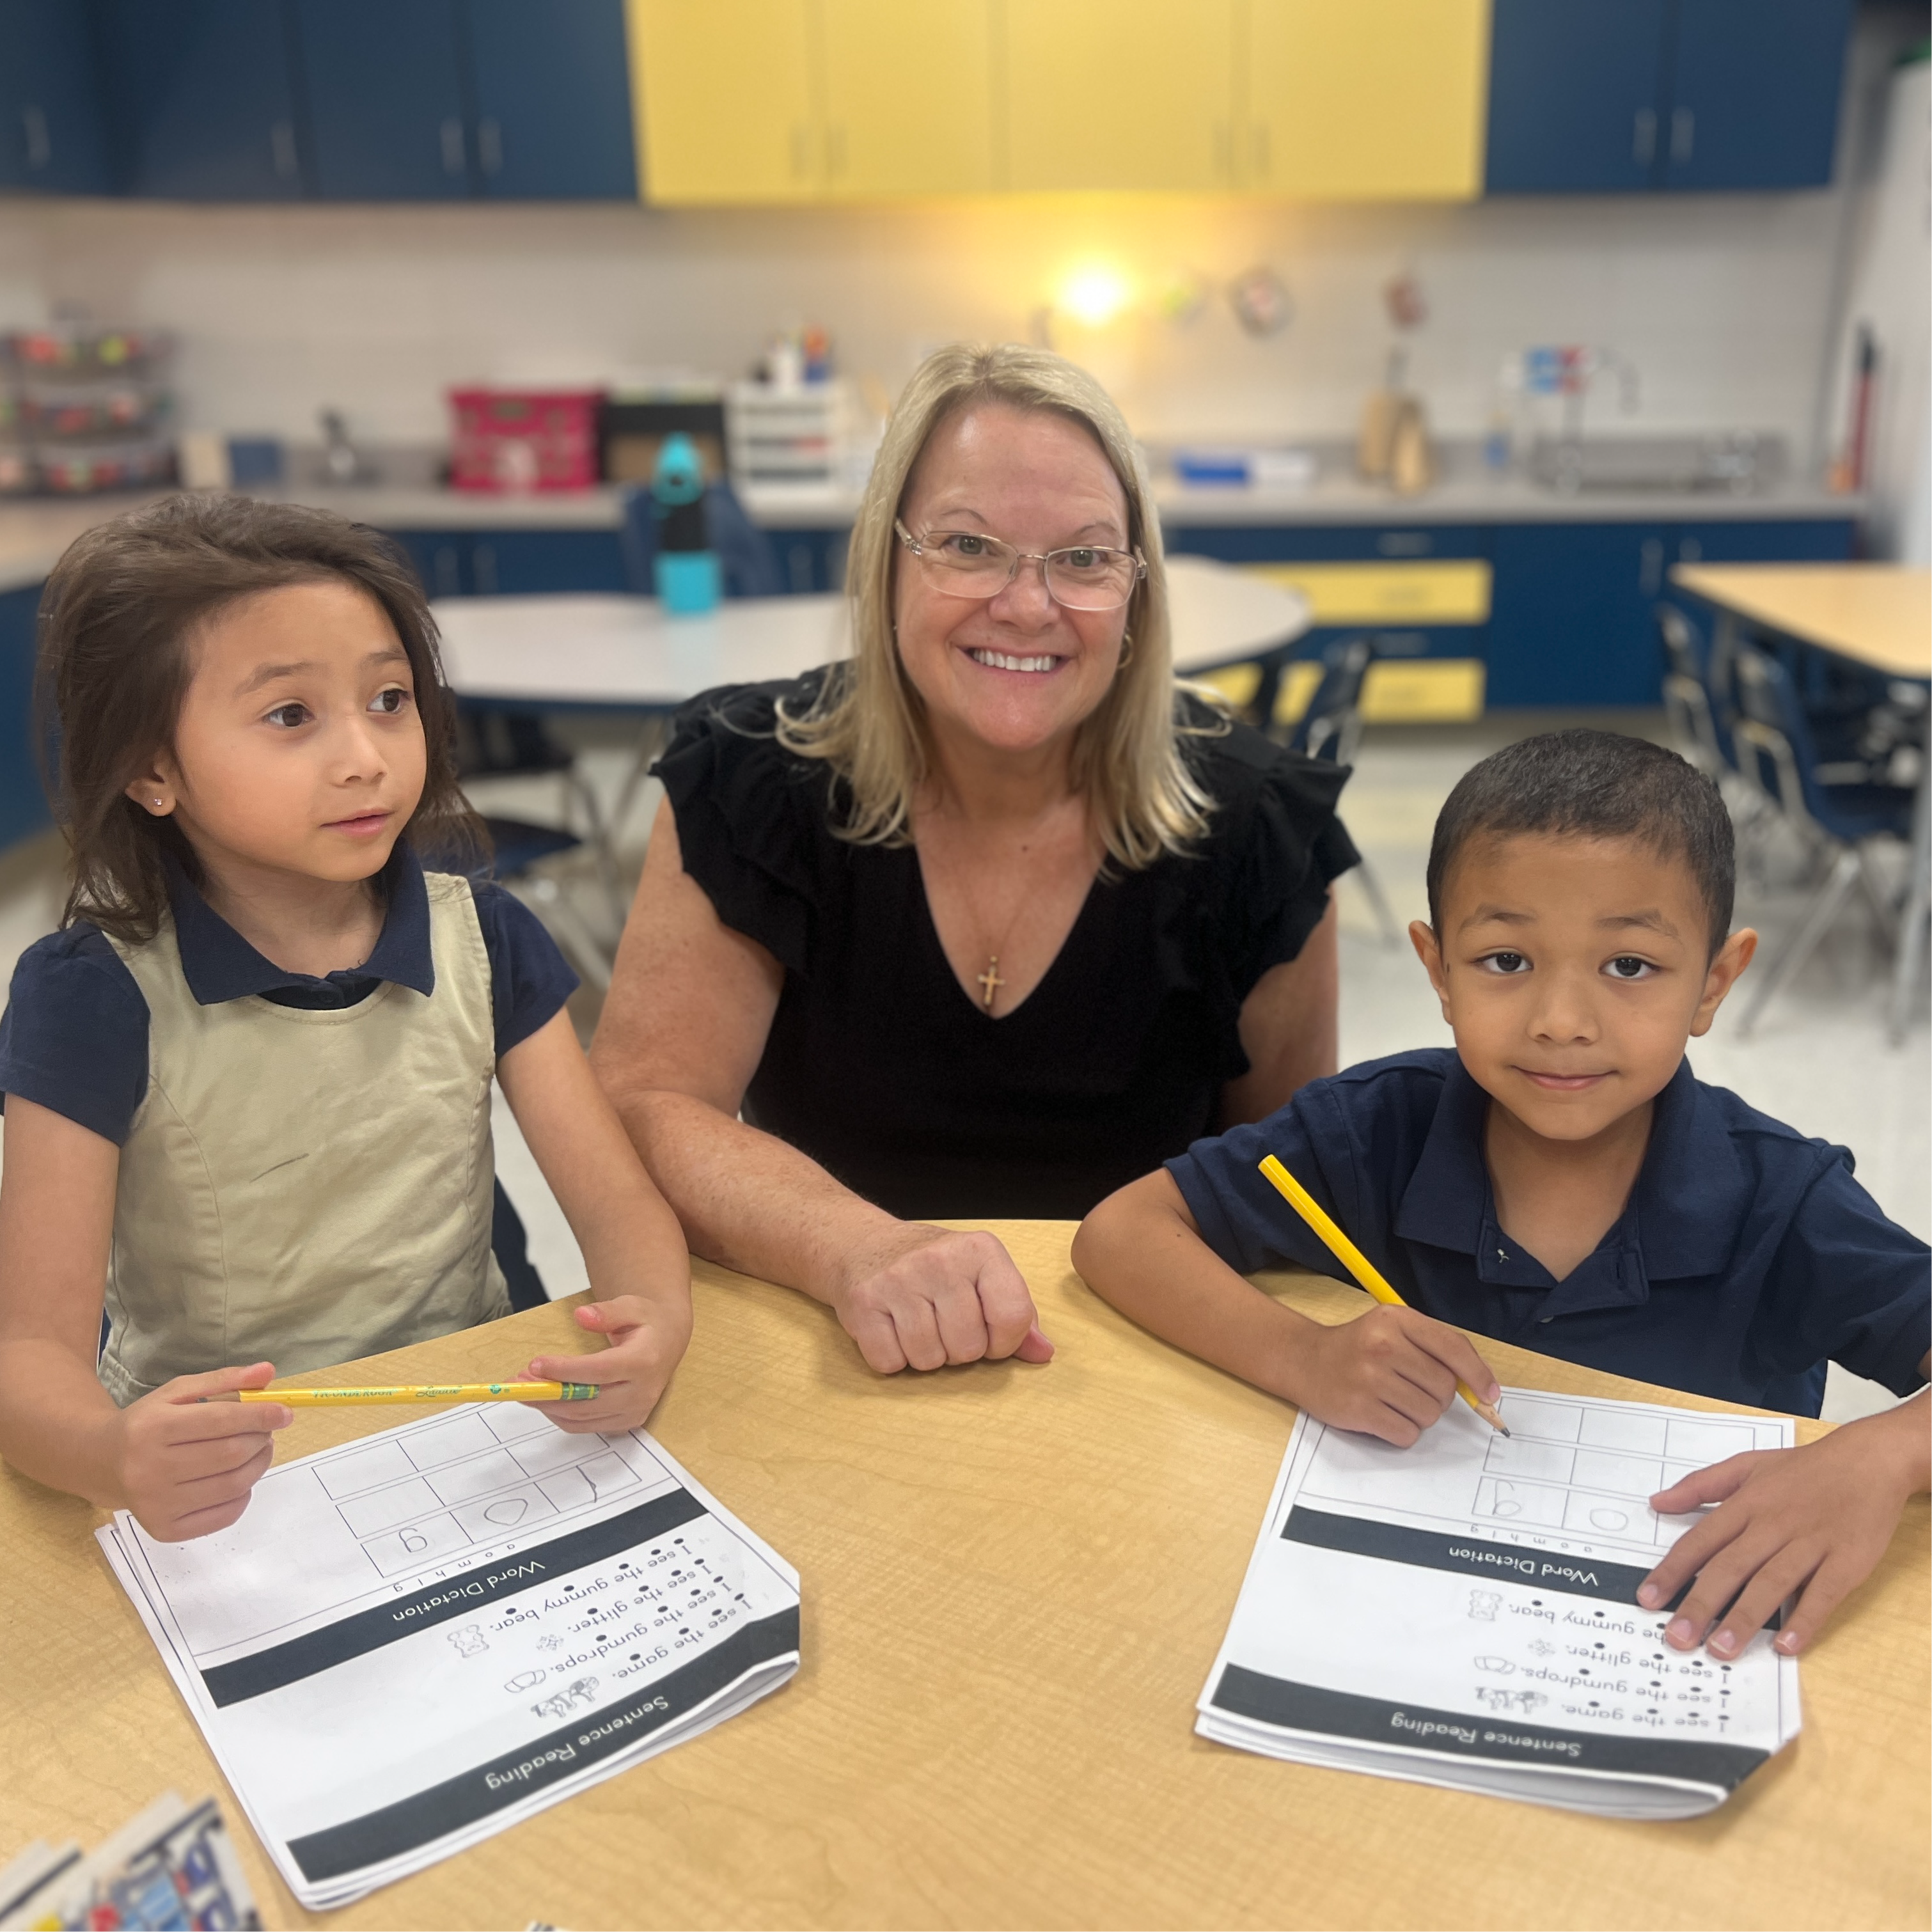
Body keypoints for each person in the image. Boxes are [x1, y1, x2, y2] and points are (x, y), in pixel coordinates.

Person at [1074, 731, 1932, 1661]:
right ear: (1438, 971)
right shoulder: (1371, 1129)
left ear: (1714, 983)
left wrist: (1882, 1454)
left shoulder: (1783, 1197)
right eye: (1506, 962)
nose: (1561, 1023)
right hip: (1403, 1626)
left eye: (1630, 967)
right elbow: (1121, 1232)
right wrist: (1303, 1356)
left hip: (1670, 1645)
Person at [592, 343, 1358, 1377]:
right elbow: (644, 1103)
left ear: (1137, 588)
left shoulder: (1259, 828)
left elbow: (1283, 1183)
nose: (1027, 606)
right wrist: (857, 1248)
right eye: (968, 545)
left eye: (1084, 558)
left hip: (1151, 1359)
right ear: (889, 556)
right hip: (822, 1333)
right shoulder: (752, 782)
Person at [0, 495, 693, 1543]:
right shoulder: (90, 994)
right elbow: (28, 1359)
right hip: (229, 1480)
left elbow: (619, 1206)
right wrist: (111, 1454)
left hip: (477, 1421)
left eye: (389, 699)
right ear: (151, 769)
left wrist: (652, 1319)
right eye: (291, 716)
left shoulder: (487, 937)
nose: (367, 756)